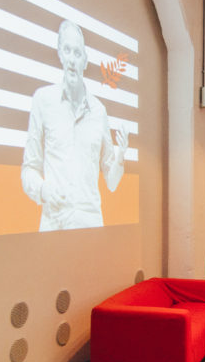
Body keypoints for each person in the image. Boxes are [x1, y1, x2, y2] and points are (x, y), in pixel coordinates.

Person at [21, 20, 129, 231]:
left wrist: (121, 155)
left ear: (85, 61)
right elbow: (29, 168)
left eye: (77, 53)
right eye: (67, 50)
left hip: (90, 227)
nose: (72, 59)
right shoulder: (43, 100)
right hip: (54, 225)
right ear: (60, 54)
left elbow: (112, 182)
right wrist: (43, 189)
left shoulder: (99, 111)